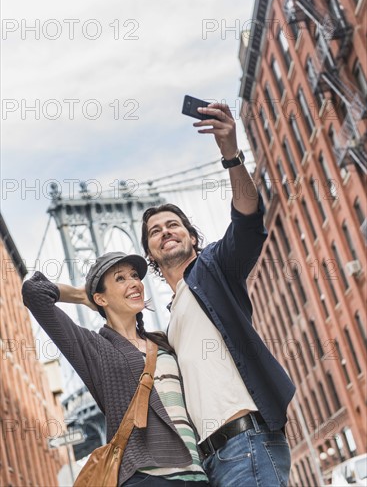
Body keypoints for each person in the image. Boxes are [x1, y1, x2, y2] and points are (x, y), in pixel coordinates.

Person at [140, 102, 296, 487]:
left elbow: (247, 220)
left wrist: (230, 153)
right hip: (210, 463)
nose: (165, 231)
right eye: (155, 231)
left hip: (247, 445)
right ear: (151, 254)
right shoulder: (174, 317)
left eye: (173, 224)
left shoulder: (214, 268)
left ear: (193, 238)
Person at [22, 251, 209, 486]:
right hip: (147, 476)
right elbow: (34, 293)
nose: (134, 283)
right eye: (120, 279)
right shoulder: (95, 347)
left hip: (198, 473)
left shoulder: (163, 342)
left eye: (134, 276)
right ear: (101, 299)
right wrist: (83, 295)